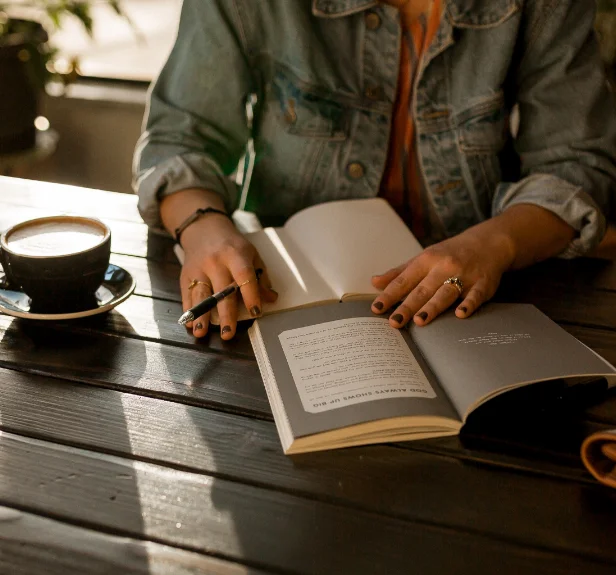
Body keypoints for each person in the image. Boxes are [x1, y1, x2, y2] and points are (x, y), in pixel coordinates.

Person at [133, 0, 616, 340]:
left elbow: (575, 164)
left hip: (479, 302)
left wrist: (493, 244)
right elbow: (182, 134)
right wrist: (205, 231)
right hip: (287, 296)